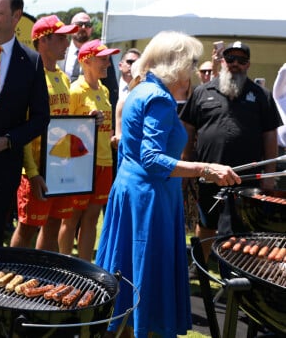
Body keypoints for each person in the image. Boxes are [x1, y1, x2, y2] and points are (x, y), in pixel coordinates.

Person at [96, 31, 241, 338]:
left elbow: (131, 152)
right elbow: (152, 159)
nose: (191, 68)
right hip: (149, 201)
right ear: (174, 63)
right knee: (143, 278)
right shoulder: (159, 98)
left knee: (127, 278)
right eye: (189, 62)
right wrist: (205, 169)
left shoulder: (140, 90)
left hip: (134, 196)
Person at [180, 41, 281, 275]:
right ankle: (200, 265)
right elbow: (188, 130)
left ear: (248, 64)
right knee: (206, 223)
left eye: (241, 60)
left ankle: (237, 271)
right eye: (231, 59)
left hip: (245, 179)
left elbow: (270, 136)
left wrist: (268, 176)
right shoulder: (202, 92)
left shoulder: (261, 96)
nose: (235, 64)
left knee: (242, 229)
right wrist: (186, 167)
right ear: (222, 61)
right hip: (207, 174)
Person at [0, 0, 50, 248]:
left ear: (16, 17)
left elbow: (41, 118)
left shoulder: (31, 62)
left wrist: (7, 141)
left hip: (2, 169)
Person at [9, 15, 77, 251]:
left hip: (60, 166)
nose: (67, 44)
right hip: (36, 169)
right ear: (42, 41)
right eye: (61, 38)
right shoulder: (29, 76)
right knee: (27, 227)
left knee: (54, 225)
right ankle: (10, 276)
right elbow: (25, 127)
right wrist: (32, 172)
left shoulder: (64, 78)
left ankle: (41, 280)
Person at [58, 39, 118, 262]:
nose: (108, 64)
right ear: (87, 61)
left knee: (92, 218)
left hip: (104, 162)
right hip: (80, 163)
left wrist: (115, 139)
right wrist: (83, 123)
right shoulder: (75, 91)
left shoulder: (103, 90)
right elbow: (61, 130)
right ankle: (64, 266)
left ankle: (83, 268)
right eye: (103, 59)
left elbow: (106, 130)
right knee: (71, 219)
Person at [58, 12, 93, 82]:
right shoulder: (58, 52)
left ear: (91, 29)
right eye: (79, 24)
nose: (83, 27)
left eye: (87, 25)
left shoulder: (100, 55)